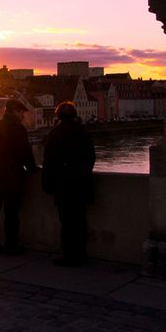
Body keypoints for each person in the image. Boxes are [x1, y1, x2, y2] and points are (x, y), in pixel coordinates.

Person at [42, 101, 95, 266]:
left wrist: (47, 184)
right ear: (74, 115)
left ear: (58, 116)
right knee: (80, 220)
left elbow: (48, 162)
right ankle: (81, 253)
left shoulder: (55, 135)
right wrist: (84, 174)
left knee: (66, 222)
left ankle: (68, 255)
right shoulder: (83, 133)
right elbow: (91, 157)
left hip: (63, 186)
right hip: (80, 184)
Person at [0, 98, 37, 255]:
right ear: (14, 111)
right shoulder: (18, 129)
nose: (23, 116)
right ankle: (11, 245)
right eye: (22, 113)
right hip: (13, 178)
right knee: (11, 214)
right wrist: (32, 169)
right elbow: (25, 153)